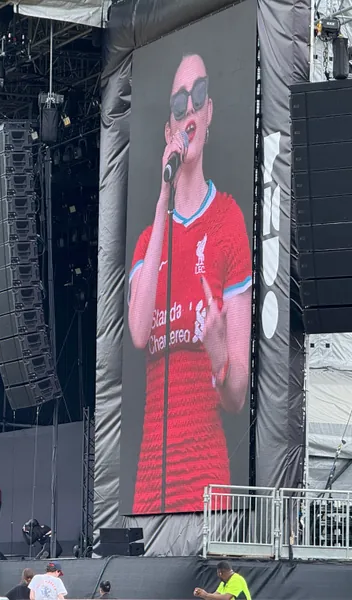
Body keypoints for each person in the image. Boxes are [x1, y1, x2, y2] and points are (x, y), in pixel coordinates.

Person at [127, 53, 252, 514]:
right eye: (179, 104)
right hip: (151, 481)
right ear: (169, 129)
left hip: (205, 477)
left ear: (210, 112)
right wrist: (164, 197)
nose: (189, 111)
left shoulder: (228, 221)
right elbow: (139, 333)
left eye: (198, 97)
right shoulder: (146, 243)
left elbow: (237, 397)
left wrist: (219, 354)